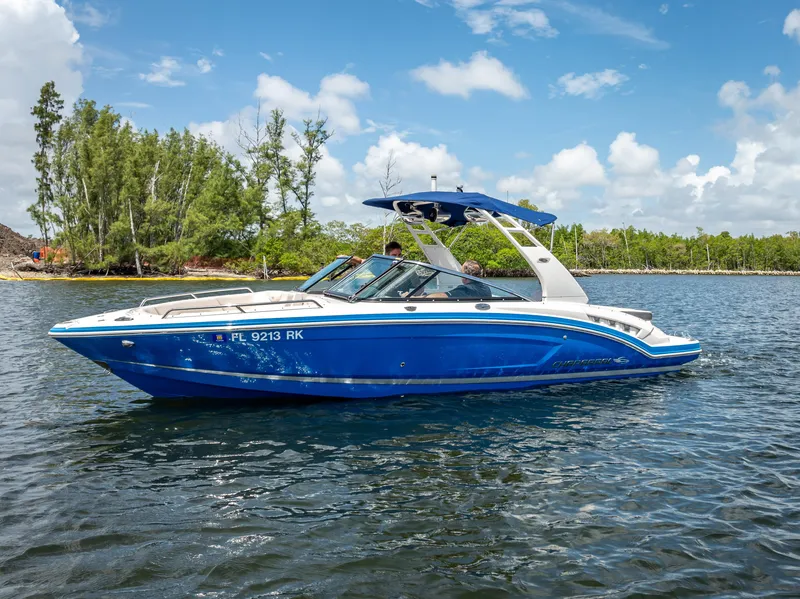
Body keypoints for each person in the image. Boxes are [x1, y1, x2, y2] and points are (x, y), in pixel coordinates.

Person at [425, 260, 492, 299]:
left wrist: (423, 297)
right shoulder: (486, 288)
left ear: (465, 276)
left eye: (461, 272)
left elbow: (443, 296)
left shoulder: (465, 289)